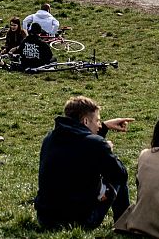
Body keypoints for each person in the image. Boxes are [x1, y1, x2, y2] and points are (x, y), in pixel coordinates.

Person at [35, 96, 134, 230]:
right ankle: (124, 225)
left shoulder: (49, 138)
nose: (99, 125)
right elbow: (120, 174)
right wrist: (107, 150)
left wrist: (104, 127)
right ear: (85, 121)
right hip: (79, 221)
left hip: (46, 218)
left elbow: (81, 149)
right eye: (97, 121)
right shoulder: (96, 145)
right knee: (117, 177)